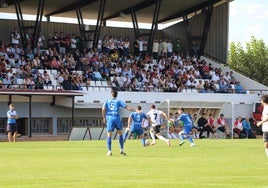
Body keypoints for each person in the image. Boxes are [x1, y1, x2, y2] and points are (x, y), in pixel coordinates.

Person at [102, 90, 134, 156]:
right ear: (117, 95)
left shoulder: (107, 101)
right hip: (117, 118)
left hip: (110, 119)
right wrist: (135, 110)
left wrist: (104, 117)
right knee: (120, 134)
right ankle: (121, 150)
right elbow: (126, 107)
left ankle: (109, 151)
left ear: (111, 94)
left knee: (109, 135)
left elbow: (103, 109)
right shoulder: (118, 101)